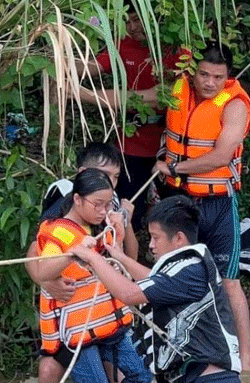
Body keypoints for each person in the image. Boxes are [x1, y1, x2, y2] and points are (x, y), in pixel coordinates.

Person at [71, 195, 243, 383]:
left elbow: (129, 293)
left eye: (156, 238)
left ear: (179, 239)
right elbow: (153, 280)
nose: (151, 245)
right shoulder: (189, 267)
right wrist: (116, 255)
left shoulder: (190, 269)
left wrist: (92, 258)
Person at [153, 41, 250, 372]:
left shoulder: (234, 105)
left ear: (228, 77)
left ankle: (247, 359)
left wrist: (175, 167)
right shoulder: (178, 90)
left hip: (219, 205)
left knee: (229, 281)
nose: (210, 83)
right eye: (204, 74)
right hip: (180, 202)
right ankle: (174, 353)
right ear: (192, 72)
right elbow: (137, 99)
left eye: (218, 76)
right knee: (171, 273)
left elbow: (222, 156)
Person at [25, 143, 140, 383]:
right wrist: (44, 281)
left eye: (115, 177)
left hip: (104, 310)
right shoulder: (63, 199)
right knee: (56, 373)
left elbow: (130, 257)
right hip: (73, 310)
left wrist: (126, 221)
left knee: (121, 381)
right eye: (103, 174)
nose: (108, 181)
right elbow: (36, 252)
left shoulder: (111, 203)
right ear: (82, 173)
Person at [76, 0, 180, 231]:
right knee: (127, 207)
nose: (132, 27)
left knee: (173, 209)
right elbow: (90, 66)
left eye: (137, 20)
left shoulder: (175, 49)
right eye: (127, 21)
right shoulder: (122, 44)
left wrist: (78, 94)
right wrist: (54, 63)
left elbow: (153, 97)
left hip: (169, 143)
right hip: (130, 143)